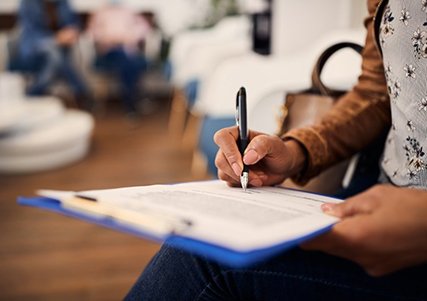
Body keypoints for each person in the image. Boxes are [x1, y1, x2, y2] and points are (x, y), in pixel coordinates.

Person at [125, 0, 427, 299]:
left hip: (407, 238)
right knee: (209, 240)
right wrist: (295, 151)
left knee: (204, 260)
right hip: (376, 197)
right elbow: (376, 92)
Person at [13, 0, 93, 110]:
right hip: (34, 49)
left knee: (56, 56)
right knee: (54, 54)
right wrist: (56, 38)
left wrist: (72, 31)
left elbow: (74, 22)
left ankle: (32, 95)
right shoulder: (28, 3)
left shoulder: (63, 3)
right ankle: (82, 93)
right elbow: (31, 32)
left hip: (60, 51)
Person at [86, 1, 151, 115]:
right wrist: (111, 38)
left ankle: (130, 104)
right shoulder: (101, 13)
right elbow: (92, 32)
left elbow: (144, 28)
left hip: (128, 51)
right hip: (109, 53)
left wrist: (129, 37)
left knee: (128, 62)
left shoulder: (129, 12)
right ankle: (132, 103)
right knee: (129, 61)